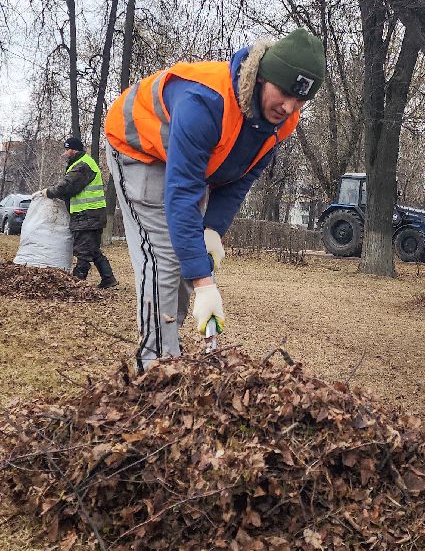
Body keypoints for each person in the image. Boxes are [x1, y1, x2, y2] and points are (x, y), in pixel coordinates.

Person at [104, 28, 326, 369]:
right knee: (164, 255)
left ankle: (168, 344)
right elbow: (181, 196)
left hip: (189, 163)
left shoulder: (281, 120)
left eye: (300, 101)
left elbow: (240, 177)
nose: (289, 107)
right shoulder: (205, 103)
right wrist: (204, 284)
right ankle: (156, 368)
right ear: (263, 77)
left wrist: (212, 230)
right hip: (138, 148)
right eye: (284, 93)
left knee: (188, 251)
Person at [32, 135, 118, 289]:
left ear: (74, 150)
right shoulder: (80, 164)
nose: (65, 153)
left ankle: (77, 283)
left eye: (67, 149)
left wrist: (47, 192)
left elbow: (66, 186)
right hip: (91, 215)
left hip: (87, 215)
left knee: (82, 251)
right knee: (92, 249)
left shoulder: (82, 165)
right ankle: (108, 278)